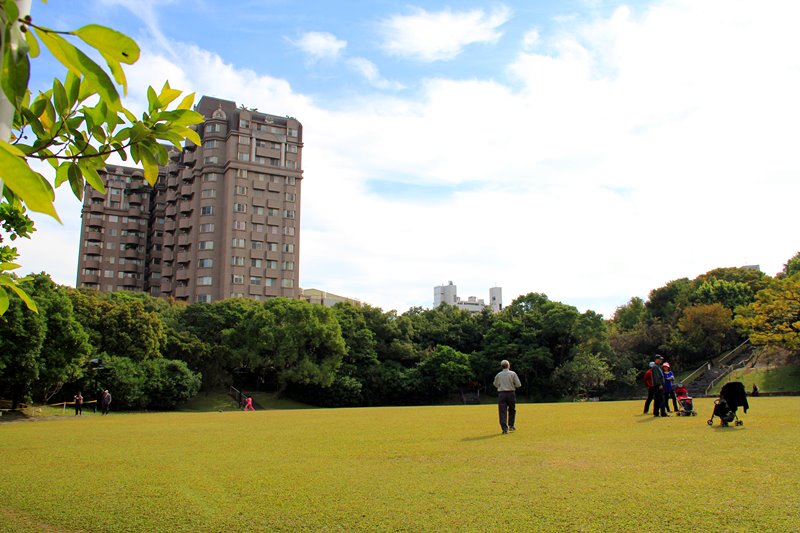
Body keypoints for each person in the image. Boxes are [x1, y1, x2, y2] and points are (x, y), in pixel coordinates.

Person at [493, 359, 522, 434]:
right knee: (512, 409)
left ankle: (504, 429)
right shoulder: (513, 374)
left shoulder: (498, 375)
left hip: (502, 394)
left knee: (502, 411)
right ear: (508, 365)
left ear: (501, 366)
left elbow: (495, 384)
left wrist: (501, 385)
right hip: (511, 393)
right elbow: (518, 384)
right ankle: (511, 425)